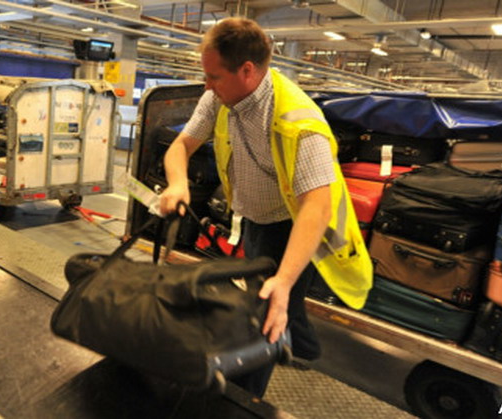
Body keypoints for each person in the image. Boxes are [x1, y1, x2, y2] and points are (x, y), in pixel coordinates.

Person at [158, 17, 372, 397]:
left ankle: (244, 397)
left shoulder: (301, 122)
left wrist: (284, 280)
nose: (206, 86)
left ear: (247, 70)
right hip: (255, 219)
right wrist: (177, 183)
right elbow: (180, 147)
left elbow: (316, 208)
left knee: (266, 303)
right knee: (274, 297)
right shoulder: (219, 96)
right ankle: (298, 343)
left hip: (293, 227)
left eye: (214, 77)